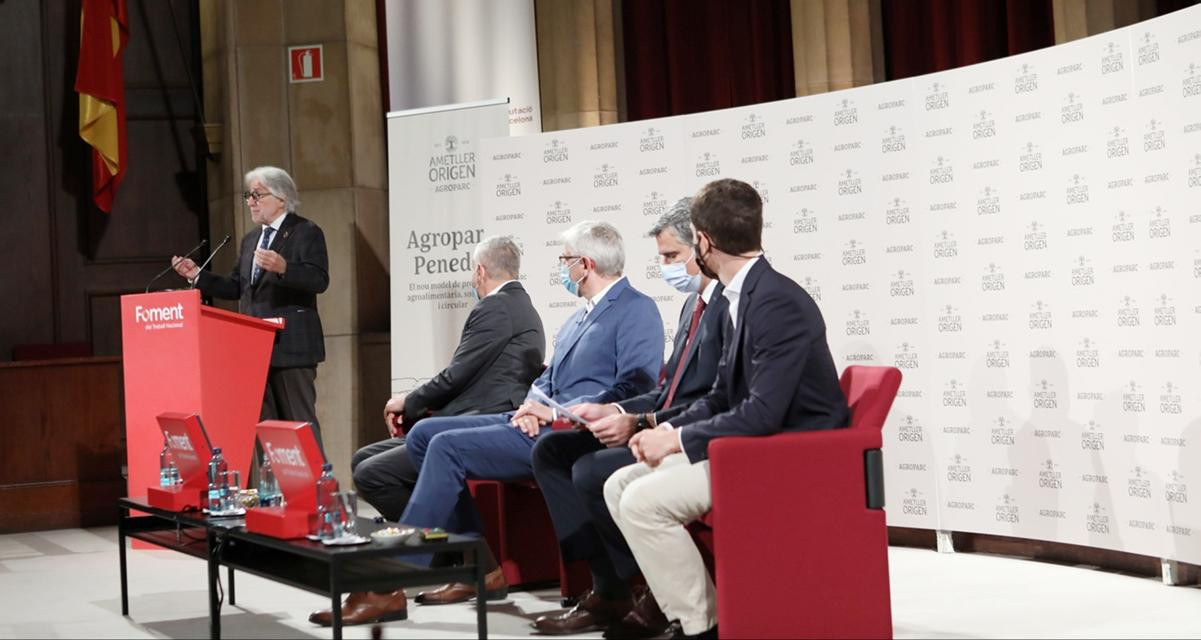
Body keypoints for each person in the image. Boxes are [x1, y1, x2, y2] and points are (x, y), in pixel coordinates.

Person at [604, 179, 850, 640]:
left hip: (790, 455)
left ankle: (703, 627)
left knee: (641, 502)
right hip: (757, 445)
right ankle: (689, 612)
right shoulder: (742, 295)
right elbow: (721, 396)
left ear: (703, 241)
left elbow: (761, 414)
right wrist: (661, 428)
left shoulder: (775, 302)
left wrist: (674, 439)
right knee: (619, 484)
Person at [401, 220, 664, 607]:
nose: (562, 269)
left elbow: (634, 387)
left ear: (585, 264)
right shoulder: (578, 317)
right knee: (423, 433)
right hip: (538, 422)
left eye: (564, 261)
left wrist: (557, 413)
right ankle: (482, 562)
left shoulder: (637, 309)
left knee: (444, 448)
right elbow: (548, 377)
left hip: (573, 431)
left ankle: (393, 575)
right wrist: (530, 405)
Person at [308, 236, 546, 627]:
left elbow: (457, 374)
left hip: (482, 422)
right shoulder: (518, 306)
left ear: (480, 271)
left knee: (373, 473)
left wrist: (410, 402)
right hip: (472, 414)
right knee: (364, 458)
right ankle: (476, 565)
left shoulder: (498, 308)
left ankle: (423, 568)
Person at [530, 200, 727, 637]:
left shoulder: (725, 308)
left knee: (590, 469)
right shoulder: (691, 307)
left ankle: (625, 589)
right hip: (662, 419)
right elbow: (668, 386)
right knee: (552, 450)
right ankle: (609, 583)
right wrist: (615, 412)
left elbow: (714, 398)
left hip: (690, 433)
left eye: (671, 257)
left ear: (703, 247)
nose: (663, 267)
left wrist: (642, 422)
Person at [172, 166, 330, 446]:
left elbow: (319, 280)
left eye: (256, 195)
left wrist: (284, 268)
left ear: (281, 198)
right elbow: (236, 287)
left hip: (291, 347)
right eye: (248, 195)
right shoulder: (250, 240)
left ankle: (317, 488)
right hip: (255, 349)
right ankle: (274, 490)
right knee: (268, 432)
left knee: (299, 425)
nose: (250, 202)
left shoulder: (305, 231)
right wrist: (197, 275)